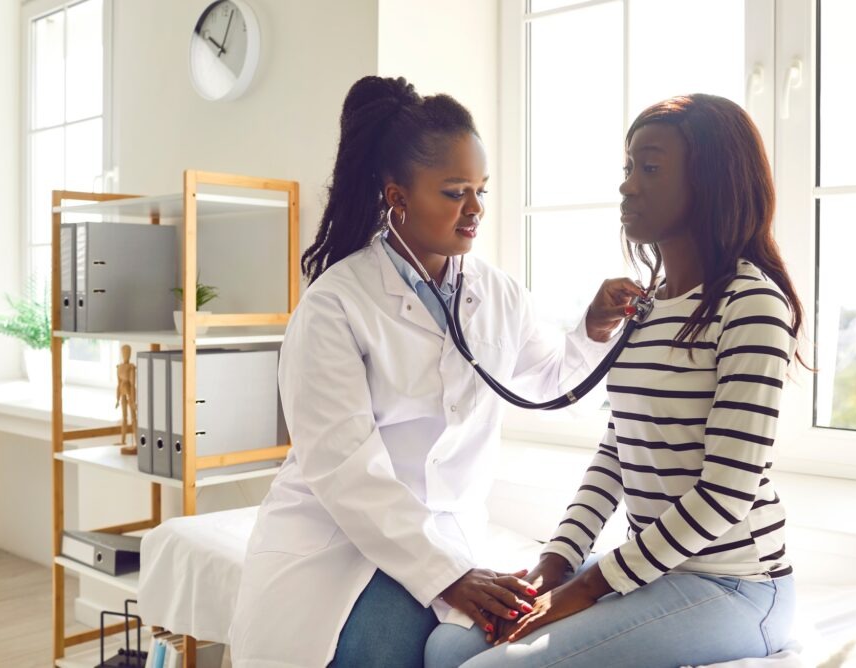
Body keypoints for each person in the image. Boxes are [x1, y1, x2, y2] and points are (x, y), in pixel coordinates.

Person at [228, 75, 645, 668]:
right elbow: (345, 468)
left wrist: (594, 329)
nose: (474, 208)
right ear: (397, 197)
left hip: (448, 537)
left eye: (480, 189)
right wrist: (449, 576)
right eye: (454, 192)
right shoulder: (334, 305)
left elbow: (551, 382)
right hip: (340, 539)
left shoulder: (496, 293)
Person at [425, 94, 807, 668]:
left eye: (649, 168)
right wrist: (552, 567)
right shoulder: (649, 306)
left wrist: (579, 592)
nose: (628, 186)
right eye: (628, 168)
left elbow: (726, 492)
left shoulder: (751, 304)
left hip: (735, 585)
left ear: (710, 183)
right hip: (655, 567)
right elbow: (618, 451)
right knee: (448, 644)